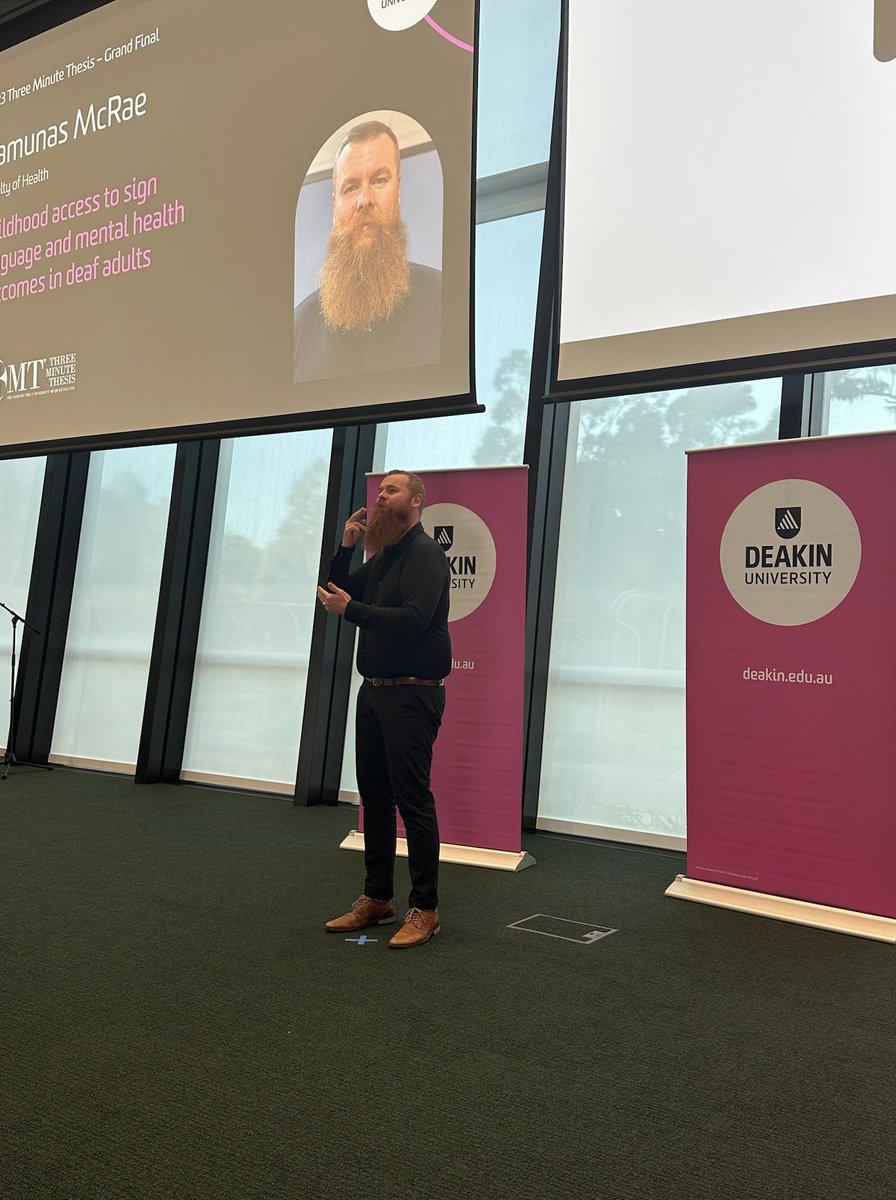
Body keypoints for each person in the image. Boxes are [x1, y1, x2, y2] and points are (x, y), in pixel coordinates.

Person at [317, 470, 450, 948]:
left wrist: (353, 610)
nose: (380, 496)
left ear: (414, 501)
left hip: (413, 695)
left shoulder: (425, 554)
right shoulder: (386, 555)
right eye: (380, 490)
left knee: (413, 800)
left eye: (390, 490)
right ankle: (377, 899)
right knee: (374, 798)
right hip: (373, 692)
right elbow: (333, 593)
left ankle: (426, 909)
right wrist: (347, 545)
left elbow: (414, 620)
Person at [294, 120, 442, 382]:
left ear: (398, 192)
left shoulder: (443, 299)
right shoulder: (299, 329)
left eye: (378, 180)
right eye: (351, 187)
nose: (364, 201)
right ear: (335, 205)